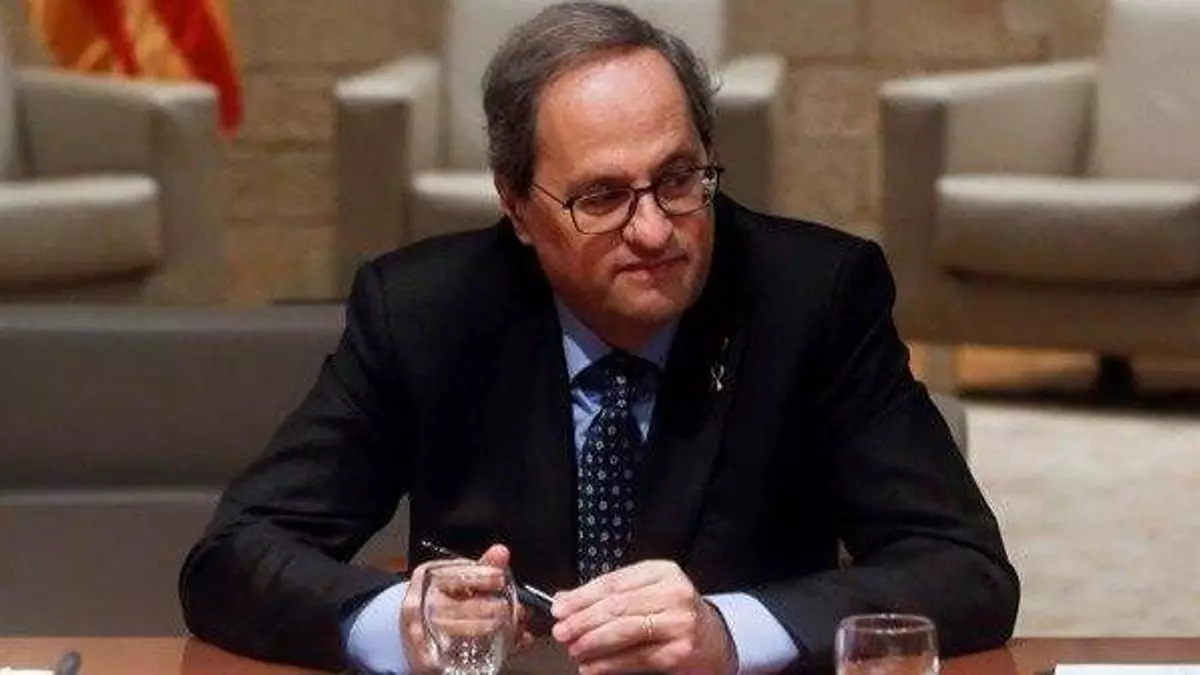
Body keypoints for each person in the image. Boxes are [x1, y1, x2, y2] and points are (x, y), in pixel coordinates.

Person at [179, 3, 1019, 674]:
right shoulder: (424, 311)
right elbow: (231, 558)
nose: (654, 230)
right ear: (516, 205)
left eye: (678, 179)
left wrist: (728, 632)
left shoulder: (813, 296)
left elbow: (964, 567)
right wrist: (395, 622)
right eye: (603, 198)